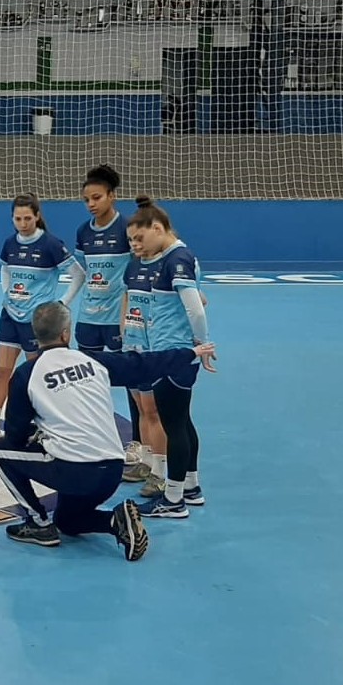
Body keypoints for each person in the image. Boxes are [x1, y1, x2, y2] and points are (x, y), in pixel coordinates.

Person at [0, 302, 216, 559]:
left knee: (0, 452)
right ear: (66, 333)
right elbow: (144, 363)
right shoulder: (94, 361)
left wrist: (37, 433)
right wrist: (191, 352)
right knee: (67, 521)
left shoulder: (26, 375)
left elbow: (15, 434)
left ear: (35, 334)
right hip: (111, 472)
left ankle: (37, 523)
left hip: (73, 472)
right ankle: (115, 521)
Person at [0, 194, 83, 441]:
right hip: (10, 315)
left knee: (39, 373)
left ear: (37, 216)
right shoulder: (10, 243)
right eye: (18, 219)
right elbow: (6, 270)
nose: (23, 223)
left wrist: (59, 304)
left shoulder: (51, 244)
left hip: (37, 321)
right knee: (1, 369)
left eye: (27, 218)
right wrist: (7, 294)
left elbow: (78, 275)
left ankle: (45, 424)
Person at [126, 197, 211, 520]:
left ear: (158, 228)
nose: (138, 245)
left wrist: (201, 345)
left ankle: (173, 500)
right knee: (183, 420)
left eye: (141, 238)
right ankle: (191, 486)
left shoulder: (177, 259)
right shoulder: (178, 258)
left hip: (172, 353)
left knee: (174, 424)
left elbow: (196, 307)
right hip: (174, 351)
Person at [71, 167, 149, 484]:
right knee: (88, 380)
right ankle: (95, 438)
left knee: (131, 380)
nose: (91, 204)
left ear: (112, 196)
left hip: (118, 318)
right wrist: (65, 302)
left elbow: (141, 267)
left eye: (97, 197)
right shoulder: (83, 232)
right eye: (87, 199)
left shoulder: (127, 228)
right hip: (88, 316)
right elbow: (81, 272)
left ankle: (139, 444)